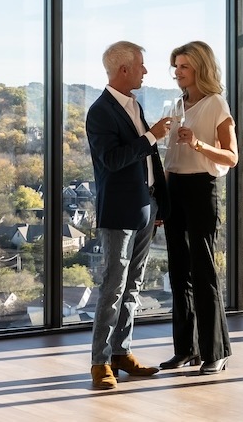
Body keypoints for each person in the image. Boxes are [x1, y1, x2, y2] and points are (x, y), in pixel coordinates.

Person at [85, 41, 171, 391]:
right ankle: (100, 363)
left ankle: (121, 352)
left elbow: (149, 162)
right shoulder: (100, 112)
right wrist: (153, 135)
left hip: (145, 208)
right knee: (113, 287)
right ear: (123, 70)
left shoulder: (134, 105)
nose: (145, 71)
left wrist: (160, 205)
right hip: (119, 212)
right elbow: (114, 160)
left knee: (133, 286)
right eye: (140, 66)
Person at [159, 41, 237, 375]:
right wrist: (161, 197)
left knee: (203, 271)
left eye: (184, 67)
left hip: (200, 189)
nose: (178, 72)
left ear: (200, 69)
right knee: (178, 272)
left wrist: (197, 143)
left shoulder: (216, 104)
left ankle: (215, 351)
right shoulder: (178, 104)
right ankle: (186, 349)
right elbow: (170, 156)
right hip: (174, 187)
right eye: (175, 66)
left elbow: (231, 157)